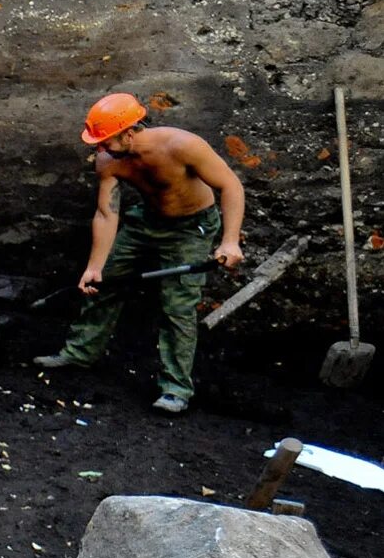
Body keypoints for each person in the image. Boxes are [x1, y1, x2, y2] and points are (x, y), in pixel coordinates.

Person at [33, 93, 245, 414]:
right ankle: (79, 352)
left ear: (129, 132)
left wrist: (229, 240)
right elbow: (106, 214)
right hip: (146, 220)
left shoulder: (182, 145)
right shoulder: (108, 162)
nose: (99, 149)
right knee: (105, 283)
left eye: (105, 141)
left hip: (191, 227)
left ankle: (175, 388)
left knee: (177, 305)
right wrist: (95, 266)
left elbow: (231, 186)